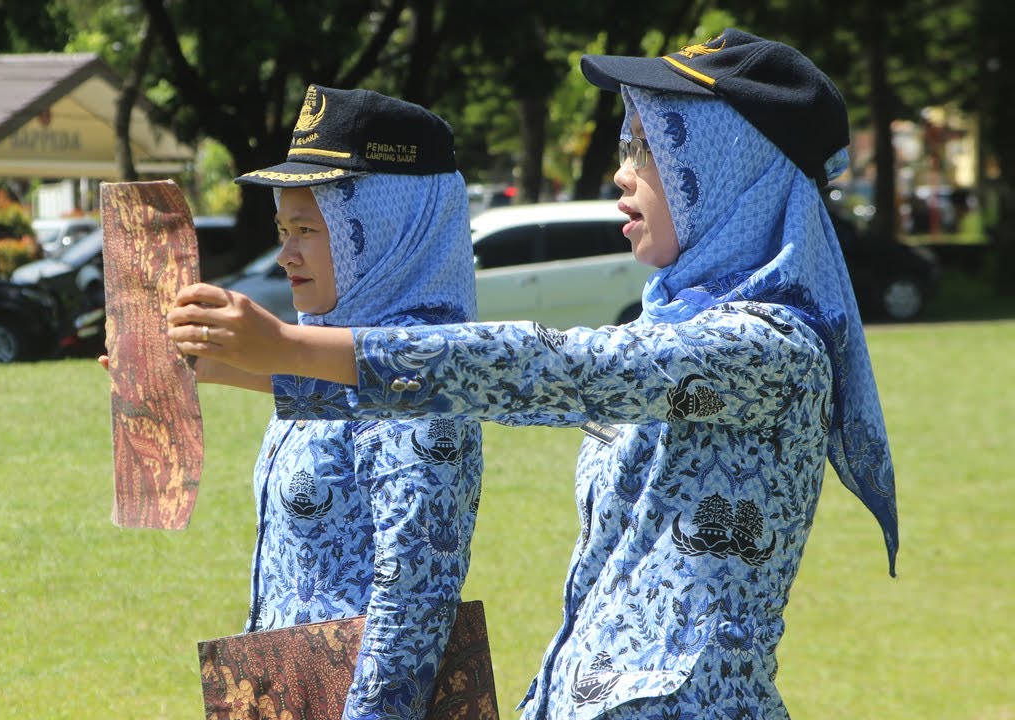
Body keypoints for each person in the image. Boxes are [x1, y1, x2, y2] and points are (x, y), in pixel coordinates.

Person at [164, 30, 899, 719]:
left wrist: (291, 348)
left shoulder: (769, 348)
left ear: (728, 169)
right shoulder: (680, 333)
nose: (621, 173)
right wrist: (234, 367)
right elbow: (487, 389)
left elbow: (546, 367)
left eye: (647, 148)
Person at [106, 85, 484, 719]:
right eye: (283, 228)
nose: (285, 254)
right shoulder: (341, 353)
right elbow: (314, 386)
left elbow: (411, 609)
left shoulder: (423, 375)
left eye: (308, 228)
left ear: (384, 230)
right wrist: (190, 363)